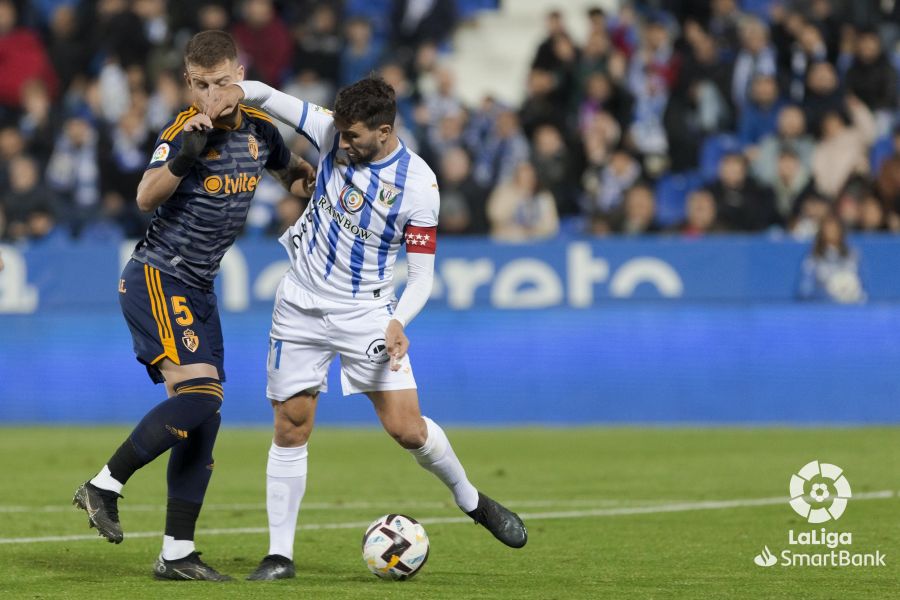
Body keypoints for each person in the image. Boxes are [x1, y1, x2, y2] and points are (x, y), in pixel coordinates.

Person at [205, 76, 528, 581]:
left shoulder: (419, 186)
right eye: (340, 133)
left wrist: (400, 320)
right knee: (291, 424)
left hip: (367, 313)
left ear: (383, 131)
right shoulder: (332, 132)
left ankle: (472, 501)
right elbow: (269, 96)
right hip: (300, 306)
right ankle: (280, 555)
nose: (343, 144)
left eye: (353, 137)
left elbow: (422, 276)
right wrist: (234, 90)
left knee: (407, 429)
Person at [71, 30, 315, 582]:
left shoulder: (259, 130)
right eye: (201, 85)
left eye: (223, 83)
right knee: (202, 396)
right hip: (158, 277)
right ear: (189, 84)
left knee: (205, 416)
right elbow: (146, 196)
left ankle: (177, 553)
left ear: (240, 76)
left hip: (200, 288)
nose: (213, 96)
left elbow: (292, 169)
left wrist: (313, 182)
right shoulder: (185, 131)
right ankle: (103, 485)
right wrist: (186, 156)